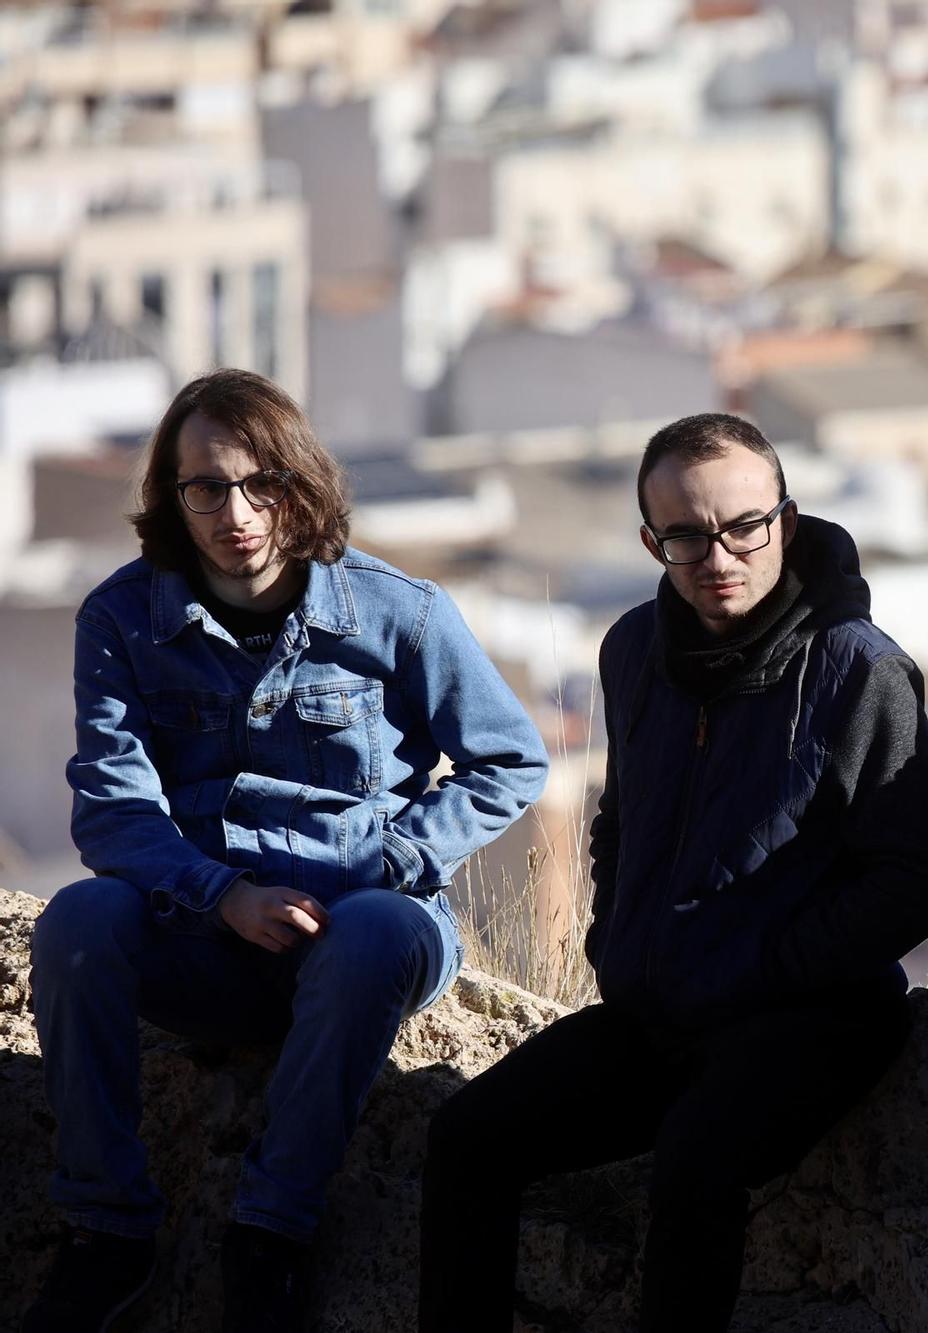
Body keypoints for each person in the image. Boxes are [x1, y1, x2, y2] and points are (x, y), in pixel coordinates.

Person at [24, 369, 550, 1333]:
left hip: (364, 929)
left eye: (262, 482)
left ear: (300, 484)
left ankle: (270, 1231)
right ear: (171, 498)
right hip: (203, 930)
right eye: (207, 487)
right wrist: (219, 892)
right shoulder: (120, 619)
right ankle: (108, 1231)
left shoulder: (402, 612)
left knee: (372, 936)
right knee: (76, 923)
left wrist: (384, 863)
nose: (237, 512)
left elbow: (510, 760)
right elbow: (111, 811)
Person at [419, 412, 928, 1332]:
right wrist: (615, 942)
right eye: (687, 535)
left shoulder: (860, 669)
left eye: (745, 524)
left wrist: (772, 963)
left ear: (784, 518)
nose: (720, 554)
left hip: (814, 1015)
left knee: (694, 1158)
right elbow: (619, 822)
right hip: (657, 1009)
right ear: (651, 540)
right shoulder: (632, 651)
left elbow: (919, 878)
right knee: (465, 1137)